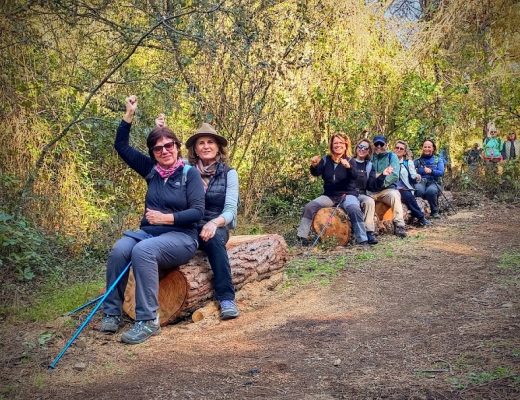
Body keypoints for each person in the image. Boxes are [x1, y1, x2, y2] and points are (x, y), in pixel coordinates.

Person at [100, 95, 205, 344]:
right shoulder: (151, 171)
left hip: (182, 237)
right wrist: (129, 114)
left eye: (169, 146)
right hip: (148, 233)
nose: (164, 151)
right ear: (153, 153)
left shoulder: (189, 174)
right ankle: (112, 313)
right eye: (158, 148)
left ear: (177, 147)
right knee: (119, 250)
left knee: (144, 251)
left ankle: (148, 321)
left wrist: (167, 218)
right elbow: (121, 146)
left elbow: (198, 212)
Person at [184, 122, 240, 320]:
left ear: (218, 147)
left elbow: (231, 211)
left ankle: (226, 298)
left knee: (214, 241)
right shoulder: (186, 171)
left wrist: (214, 223)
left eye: (210, 142)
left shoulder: (229, 173)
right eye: (201, 143)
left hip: (217, 224)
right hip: (190, 225)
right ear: (195, 149)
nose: (206, 146)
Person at [296, 132, 369, 247]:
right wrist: (314, 165)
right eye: (335, 143)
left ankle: (363, 240)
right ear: (331, 145)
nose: (338, 145)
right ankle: (302, 237)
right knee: (309, 207)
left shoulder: (351, 161)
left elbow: (355, 176)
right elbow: (316, 173)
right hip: (329, 195)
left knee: (354, 208)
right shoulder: (326, 160)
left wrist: (348, 167)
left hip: (347, 194)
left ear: (345, 145)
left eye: (341, 143)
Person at [369, 135, 407, 238]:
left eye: (381, 144)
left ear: (386, 145)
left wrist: (380, 181)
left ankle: (399, 225)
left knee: (395, 195)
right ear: (373, 145)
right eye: (377, 144)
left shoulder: (391, 156)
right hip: (370, 191)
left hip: (386, 189)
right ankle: (370, 229)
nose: (379, 146)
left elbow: (394, 174)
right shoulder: (369, 156)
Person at [349, 139, 382, 245]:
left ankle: (369, 232)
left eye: (365, 148)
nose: (362, 149)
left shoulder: (369, 166)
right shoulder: (349, 161)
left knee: (369, 201)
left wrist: (383, 175)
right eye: (360, 146)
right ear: (356, 147)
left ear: (369, 151)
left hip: (361, 194)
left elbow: (372, 186)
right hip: (348, 194)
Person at [393, 140, 431, 227]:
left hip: (404, 188)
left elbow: (413, 175)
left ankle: (421, 218)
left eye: (401, 149)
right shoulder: (388, 161)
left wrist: (417, 177)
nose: (398, 150)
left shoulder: (407, 162)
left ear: (405, 152)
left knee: (408, 196)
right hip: (391, 188)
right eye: (397, 148)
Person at [414, 139, 445, 219]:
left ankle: (434, 211)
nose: (427, 149)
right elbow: (411, 171)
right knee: (418, 190)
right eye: (425, 147)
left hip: (434, 182)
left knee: (430, 191)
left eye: (429, 147)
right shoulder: (417, 161)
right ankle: (418, 212)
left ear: (433, 148)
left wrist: (431, 171)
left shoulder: (438, 160)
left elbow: (441, 172)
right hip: (421, 182)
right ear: (422, 148)